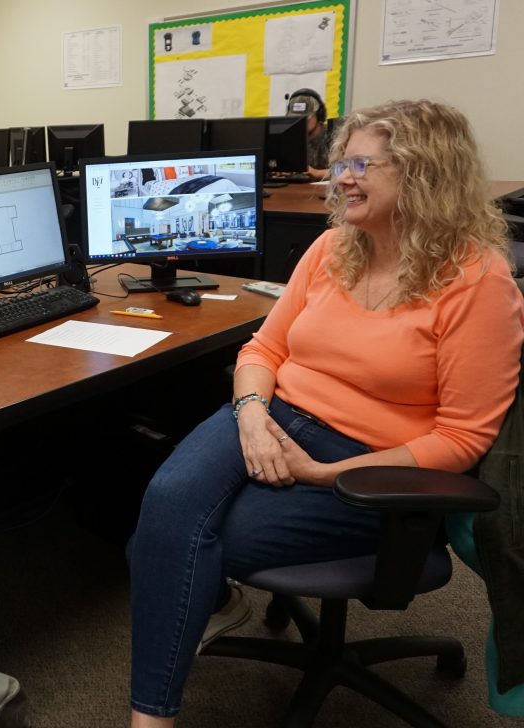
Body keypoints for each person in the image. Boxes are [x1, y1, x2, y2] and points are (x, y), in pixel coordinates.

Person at [128, 98, 524, 727]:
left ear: (423, 171)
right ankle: (151, 719)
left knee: (195, 541)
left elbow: (462, 437)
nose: (341, 177)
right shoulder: (336, 247)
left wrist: (321, 475)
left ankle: (203, 604)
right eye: (343, 161)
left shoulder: (478, 282)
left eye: (362, 164)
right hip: (272, 411)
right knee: (167, 506)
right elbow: (264, 348)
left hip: (369, 461)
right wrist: (253, 414)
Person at [286, 88, 330, 180]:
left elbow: (345, 171)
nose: (301, 122)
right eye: (297, 118)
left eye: (306, 118)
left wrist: (316, 173)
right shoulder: (290, 137)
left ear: (319, 114)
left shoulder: (334, 135)